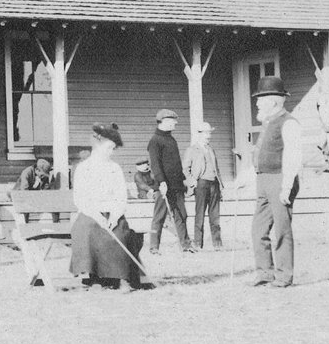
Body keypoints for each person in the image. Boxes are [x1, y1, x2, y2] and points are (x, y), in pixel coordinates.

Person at [69, 123, 144, 291]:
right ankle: (94, 277)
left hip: (112, 212)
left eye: (113, 149)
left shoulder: (114, 168)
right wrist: (97, 216)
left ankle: (121, 277)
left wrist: (115, 216)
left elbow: (121, 197)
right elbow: (80, 199)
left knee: (120, 231)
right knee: (89, 229)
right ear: (98, 146)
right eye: (109, 147)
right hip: (90, 213)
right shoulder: (83, 168)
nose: (111, 152)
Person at [249, 76, 301, 288]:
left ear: (273, 101)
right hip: (263, 180)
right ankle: (264, 273)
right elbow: (260, 153)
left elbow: (293, 156)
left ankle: (284, 276)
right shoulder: (268, 122)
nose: (257, 103)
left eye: (261, 99)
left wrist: (286, 186)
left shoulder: (288, 122)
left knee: (282, 230)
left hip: (281, 179)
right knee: (258, 230)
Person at [147, 108, 193, 255]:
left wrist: (184, 181)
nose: (176, 123)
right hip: (163, 186)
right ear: (164, 121)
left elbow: (176, 163)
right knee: (159, 216)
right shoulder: (155, 141)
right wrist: (161, 182)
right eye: (173, 120)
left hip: (177, 185)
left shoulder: (171, 139)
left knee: (181, 215)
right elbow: (155, 164)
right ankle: (154, 247)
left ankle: (186, 245)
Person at [184, 123, 224, 251]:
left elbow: (216, 169)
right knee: (200, 213)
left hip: (214, 184)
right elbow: (185, 168)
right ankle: (197, 243)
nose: (208, 136)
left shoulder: (211, 149)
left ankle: (217, 244)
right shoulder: (192, 150)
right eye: (205, 133)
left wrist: (221, 185)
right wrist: (191, 181)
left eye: (209, 133)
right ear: (199, 134)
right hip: (201, 184)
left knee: (215, 215)